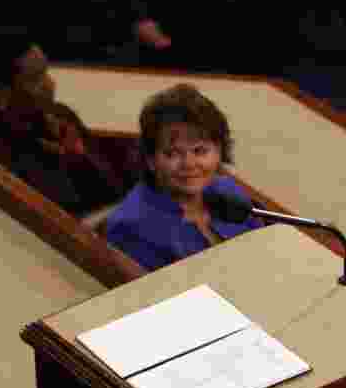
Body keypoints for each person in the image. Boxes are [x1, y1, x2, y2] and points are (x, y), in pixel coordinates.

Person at [0, 32, 138, 217]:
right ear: (1, 90)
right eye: (36, 79)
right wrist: (65, 158)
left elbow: (113, 191)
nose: (51, 85)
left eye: (46, 72)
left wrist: (82, 159)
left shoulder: (61, 115)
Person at [106, 83, 262, 271]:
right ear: (151, 160)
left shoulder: (228, 189)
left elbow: (263, 254)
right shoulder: (129, 226)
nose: (189, 164)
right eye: (172, 153)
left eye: (200, 151)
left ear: (220, 151)